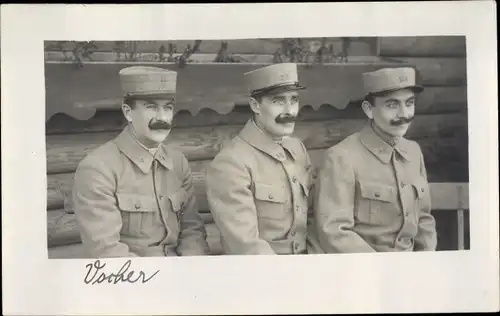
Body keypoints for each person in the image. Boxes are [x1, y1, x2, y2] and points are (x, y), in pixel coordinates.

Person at [73, 66, 210, 258]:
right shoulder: (98, 169)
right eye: (151, 107)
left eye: (168, 108)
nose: (162, 118)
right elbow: (106, 250)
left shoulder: (178, 163)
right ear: (128, 112)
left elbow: (192, 232)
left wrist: (190, 271)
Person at [313, 67, 437, 253]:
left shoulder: (413, 152)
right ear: (369, 109)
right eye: (392, 105)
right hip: (366, 270)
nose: (404, 114)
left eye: (409, 103)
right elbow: (335, 233)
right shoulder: (341, 157)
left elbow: (424, 220)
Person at [205, 63, 316, 255]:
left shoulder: (297, 149)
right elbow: (245, 245)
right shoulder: (232, 163)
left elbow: (314, 218)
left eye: (294, 100)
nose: (290, 111)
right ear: (255, 105)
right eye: (279, 101)